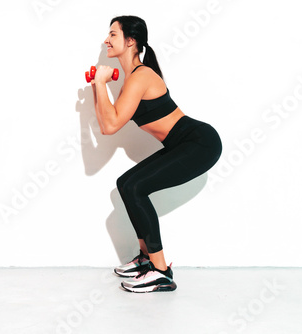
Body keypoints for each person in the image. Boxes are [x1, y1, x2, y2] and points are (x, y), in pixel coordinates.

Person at [90, 15, 223, 293]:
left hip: (199, 142)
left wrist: (102, 84)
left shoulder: (142, 77)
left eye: (112, 35)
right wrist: (97, 86)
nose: (106, 40)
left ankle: (161, 272)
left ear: (131, 41)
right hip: (182, 144)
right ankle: (146, 260)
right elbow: (106, 125)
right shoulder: (132, 81)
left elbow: (112, 124)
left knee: (136, 187)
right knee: (126, 184)